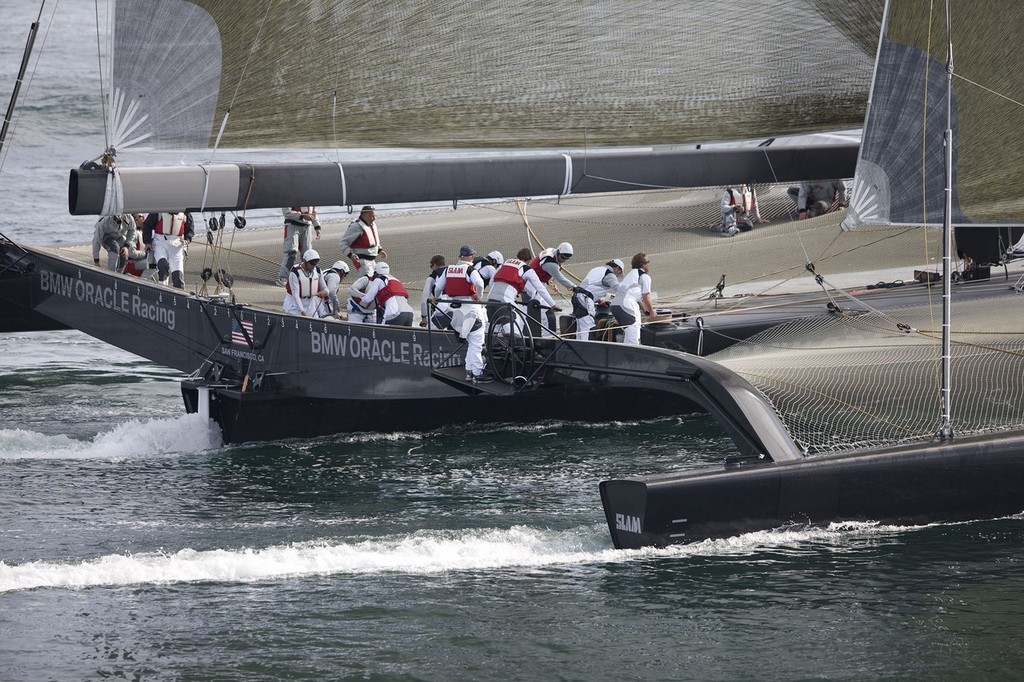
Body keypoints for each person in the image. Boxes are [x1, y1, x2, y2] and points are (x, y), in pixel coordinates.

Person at [434, 244, 488, 382]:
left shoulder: (449, 269)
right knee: (477, 341)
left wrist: (437, 297)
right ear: (470, 257)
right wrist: (478, 296)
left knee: (470, 341)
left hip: (456, 311)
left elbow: (438, 287)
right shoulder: (470, 269)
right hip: (471, 309)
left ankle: (469, 371)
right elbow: (480, 283)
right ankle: (477, 373)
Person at [487, 254, 558, 331]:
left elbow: (492, 281)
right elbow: (540, 288)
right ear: (529, 261)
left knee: (493, 330)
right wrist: (553, 305)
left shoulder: (505, 263)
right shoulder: (527, 270)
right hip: (505, 300)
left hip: (490, 299)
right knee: (516, 328)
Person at [527, 242, 575, 335]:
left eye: (567, 258)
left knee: (544, 311)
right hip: (532, 284)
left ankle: (548, 336)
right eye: (563, 257)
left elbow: (544, 271)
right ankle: (547, 337)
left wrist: (548, 281)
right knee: (543, 310)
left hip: (538, 282)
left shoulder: (553, 253)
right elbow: (560, 278)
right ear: (559, 253)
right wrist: (574, 287)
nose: (564, 260)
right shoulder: (550, 261)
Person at [572, 258, 624, 340]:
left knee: (580, 328)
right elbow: (619, 290)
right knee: (588, 327)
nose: (617, 275)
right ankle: (585, 349)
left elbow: (590, 286)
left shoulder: (597, 269)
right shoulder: (610, 275)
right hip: (585, 300)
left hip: (577, 297)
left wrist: (599, 300)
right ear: (617, 268)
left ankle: (578, 348)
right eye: (619, 272)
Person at [610, 252, 654, 346]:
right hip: (627, 305)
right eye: (648, 262)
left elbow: (636, 297)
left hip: (615, 306)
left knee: (627, 334)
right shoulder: (644, 277)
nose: (649, 264)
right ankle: (631, 358)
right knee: (634, 336)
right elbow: (646, 297)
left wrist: (646, 311)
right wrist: (652, 312)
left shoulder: (630, 275)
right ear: (643, 264)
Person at [142, 211, 194, 289]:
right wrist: (147, 242)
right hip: (160, 242)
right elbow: (147, 226)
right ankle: (162, 287)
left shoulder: (186, 214)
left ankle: (179, 293)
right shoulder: (158, 212)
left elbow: (190, 229)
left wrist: (187, 239)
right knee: (163, 265)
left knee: (178, 276)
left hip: (177, 244)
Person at [359, 262, 414, 326]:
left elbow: (367, 299)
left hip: (394, 313)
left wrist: (360, 297)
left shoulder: (379, 279)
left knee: (384, 334)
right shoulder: (396, 280)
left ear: (376, 272)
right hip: (409, 313)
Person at [277, 206, 321, 286]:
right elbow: (286, 212)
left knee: (308, 253)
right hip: (292, 224)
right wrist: (302, 215)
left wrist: (317, 226)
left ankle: (307, 276)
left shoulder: (312, 196)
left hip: (307, 226)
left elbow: (314, 212)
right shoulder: (291, 194)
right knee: (291, 252)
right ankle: (283, 277)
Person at [339, 205, 386, 277]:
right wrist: (350, 255)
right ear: (364, 215)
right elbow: (343, 242)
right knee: (367, 279)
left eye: (374, 216)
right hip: (362, 260)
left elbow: (373, 241)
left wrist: (380, 250)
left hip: (372, 260)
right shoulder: (356, 226)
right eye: (372, 216)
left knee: (375, 277)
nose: (374, 219)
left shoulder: (372, 225)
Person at [283, 248, 329, 317]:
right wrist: (302, 311)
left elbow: (325, 288)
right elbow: (295, 295)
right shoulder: (295, 272)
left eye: (315, 264)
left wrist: (325, 292)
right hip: (294, 306)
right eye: (312, 264)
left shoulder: (318, 271)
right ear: (305, 261)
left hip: (310, 305)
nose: (314, 267)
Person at [420, 254, 448, 328]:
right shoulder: (451, 273)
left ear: (434, 265)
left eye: (431, 266)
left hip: (442, 308)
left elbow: (424, 299)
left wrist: (424, 317)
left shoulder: (433, 277)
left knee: (429, 330)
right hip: (457, 306)